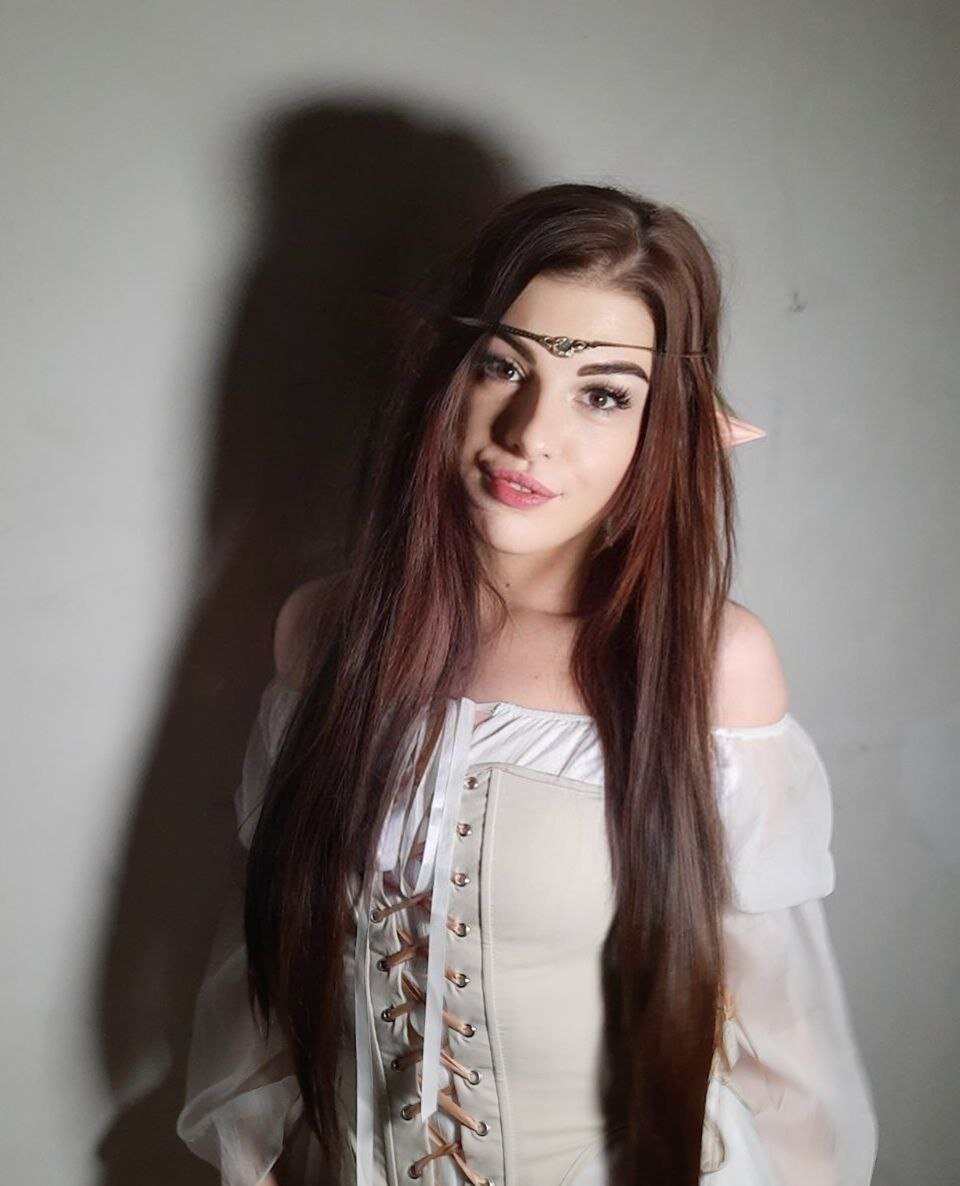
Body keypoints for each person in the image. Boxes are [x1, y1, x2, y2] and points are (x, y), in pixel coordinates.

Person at [176, 183, 879, 1185]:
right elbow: (261, 989)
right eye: (503, 365)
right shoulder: (324, 634)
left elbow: (787, 1049)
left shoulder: (712, 668)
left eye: (604, 393)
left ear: (663, 425)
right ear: (446, 375)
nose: (530, 433)